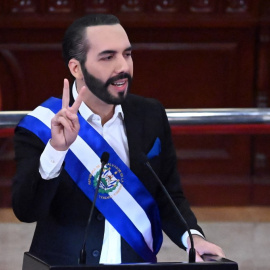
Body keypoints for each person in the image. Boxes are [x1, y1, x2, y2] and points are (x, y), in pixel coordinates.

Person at [12, 14, 225, 265]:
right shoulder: (42, 126)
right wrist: (56, 150)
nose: (123, 66)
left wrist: (193, 238)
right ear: (76, 68)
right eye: (108, 57)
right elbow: (26, 211)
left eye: (127, 54)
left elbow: (169, 196)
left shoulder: (150, 114)